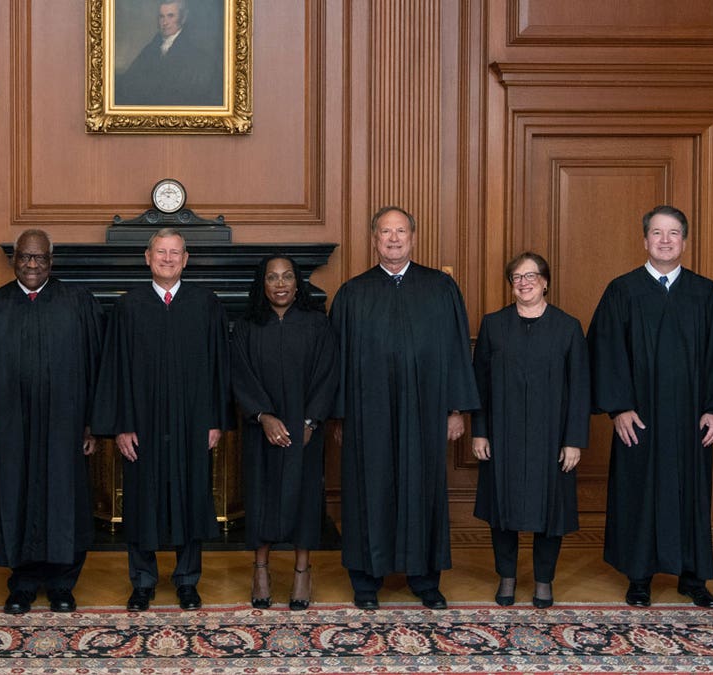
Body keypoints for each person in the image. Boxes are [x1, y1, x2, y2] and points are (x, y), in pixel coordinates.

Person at [588, 205, 713, 609]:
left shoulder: (705, 292)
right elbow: (605, 352)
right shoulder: (622, 291)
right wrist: (619, 407)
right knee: (638, 492)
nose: (665, 240)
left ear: (684, 241)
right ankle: (639, 577)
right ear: (644, 240)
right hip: (639, 418)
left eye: (673, 233)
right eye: (657, 233)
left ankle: (692, 577)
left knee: (690, 492)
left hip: (689, 418)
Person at [330, 206, 480, 610]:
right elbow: (337, 360)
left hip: (425, 410)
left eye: (400, 232)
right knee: (368, 487)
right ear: (373, 238)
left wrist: (456, 410)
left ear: (413, 237)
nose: (393, 239)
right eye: (385, 232)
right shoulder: (353, 292)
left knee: (423, 487)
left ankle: (424, 579)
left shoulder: (440, 288)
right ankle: (366, 579)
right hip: (367, 414)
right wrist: (340, 415)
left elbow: (456, 350)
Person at [0, 229, 103, 615]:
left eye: (39, 258)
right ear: (14, 259)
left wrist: (91, 424)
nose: (32, 265)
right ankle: (21, 583)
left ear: (51, 261)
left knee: (64, 499)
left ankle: (62, 584)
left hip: (66, 427)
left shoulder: (79, 303)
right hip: (10, 428)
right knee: (15, 496)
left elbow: (97, 368)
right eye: (25, 257)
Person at [92, 227, 230, 612]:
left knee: (192, 494)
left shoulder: (206, 304)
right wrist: (121, 424)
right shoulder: (128, 306)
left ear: (186, 260)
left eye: (175, 253)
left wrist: (216, 419)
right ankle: (143, 581)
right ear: (147, 258)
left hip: (193, 421)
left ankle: (187, 580)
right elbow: (114, 371)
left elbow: (221, 366)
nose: (168, 259)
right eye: (161, 252)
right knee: (141, 499)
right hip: (143, 423)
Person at [470, 252, 590, 609]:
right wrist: (480, 431)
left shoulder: (568, 327)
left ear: (546, 281)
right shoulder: (493, 324)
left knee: (550, 512)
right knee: (501, 510)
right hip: (502, 435)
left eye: (531, 276)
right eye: (516, 278)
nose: (523, 283)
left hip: (552, 437)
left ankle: (543, 580)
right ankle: (506, 576)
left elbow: (580, 389)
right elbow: (480, 385)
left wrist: (574, 441)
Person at [231, 255, 338, 611]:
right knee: (261, 496)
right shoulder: (247, 325)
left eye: (287, 277)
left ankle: (302, 572)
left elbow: (328, 374)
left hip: (305, 428)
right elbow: (239, 375)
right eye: (272, 278)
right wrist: (263, 416)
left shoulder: (316, 324)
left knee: (304, 498)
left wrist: (310, 422)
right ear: (262, 284)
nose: (280, 284)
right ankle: (260, 570)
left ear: (298, 282)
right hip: (260, 429)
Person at [115, 0, 223, 106]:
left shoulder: (195, 54)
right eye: (162, 16)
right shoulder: (151, 48)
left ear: (183, 18)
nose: (165, 22)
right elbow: (130, 79)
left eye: (170, 16)